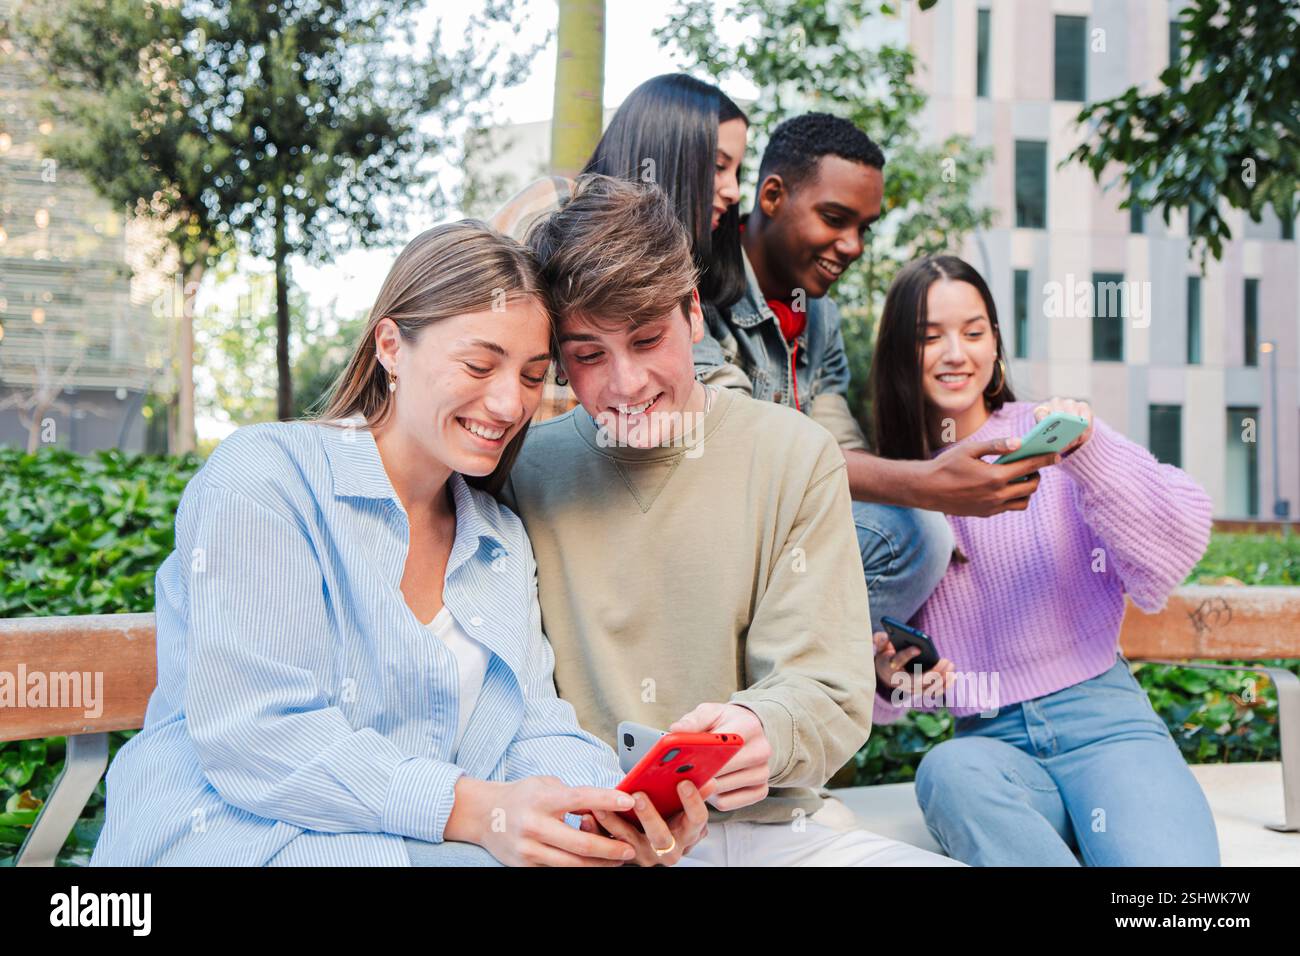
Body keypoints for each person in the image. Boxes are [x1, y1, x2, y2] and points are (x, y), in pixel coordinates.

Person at [90, 221, 709, 867]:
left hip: (411, 847)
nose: (508, 402)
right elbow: (260, 735)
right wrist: (475, 810)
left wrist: (612, 813)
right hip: (240, 838)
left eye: (531, 376)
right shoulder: (266, 479)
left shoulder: (496, 539)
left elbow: (533, 724)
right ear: (391, 345)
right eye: (479, 363)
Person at [502, 173, 963, 866]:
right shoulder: (523, 471)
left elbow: (827, 686)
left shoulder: (794, 455)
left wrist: (762, 727)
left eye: (648, 338)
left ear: (692, 313)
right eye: (590, 356)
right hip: (588, 835)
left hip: (769, 831)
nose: (626, 384)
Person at [867, 254, 1220, 866]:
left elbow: (1177, 542)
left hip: (1106, 724)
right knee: (945, 770)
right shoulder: (893, 489)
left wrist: (1090, 451)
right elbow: (880, 686)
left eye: (974, 332)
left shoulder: (1048, 432)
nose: (956, 353)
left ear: (996, 344)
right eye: (930, 337)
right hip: (989, 748)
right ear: (901, 353)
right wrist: (895, 683)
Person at [692, 112, 1059, 635]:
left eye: (863, 228)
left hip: (776, 537)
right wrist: (927, 484)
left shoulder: (821, 318)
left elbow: (836, 441)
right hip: (703, 533)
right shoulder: (698, 287)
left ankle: (814, 674)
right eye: (835, 218)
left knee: (915, 534)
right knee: (913, 531)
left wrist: (930, 494)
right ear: (772, 197)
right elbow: (748, 444)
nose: (853, 246)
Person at [490, 72, 754, 415]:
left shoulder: (702, 276)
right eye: (719, 166)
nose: (733, 191)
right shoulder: (553, 209)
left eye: (648, 340)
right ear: (667, 150)